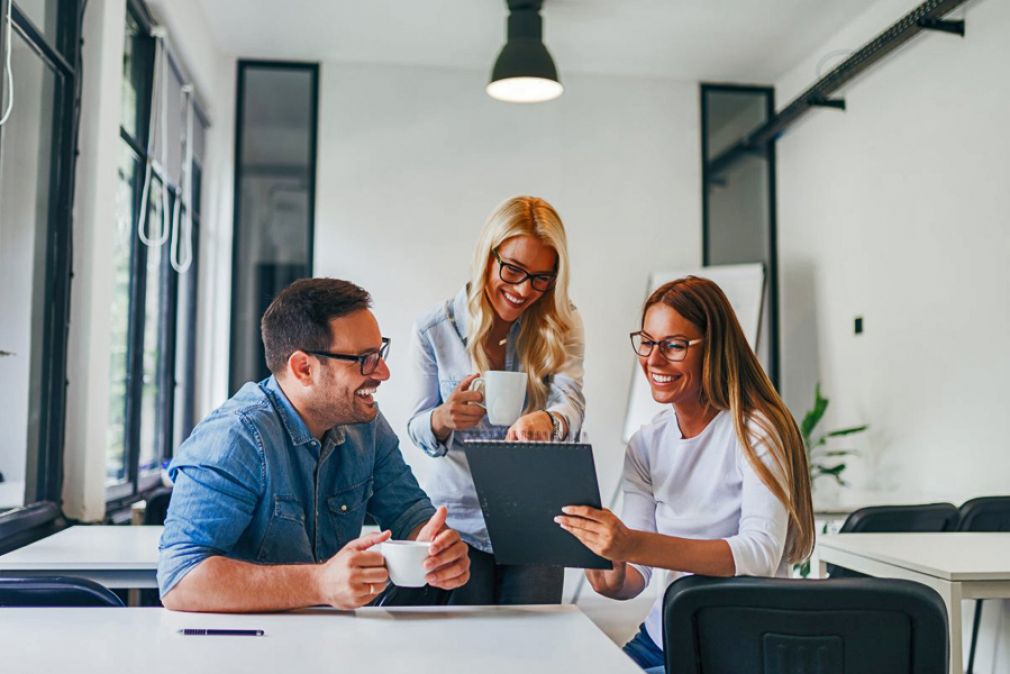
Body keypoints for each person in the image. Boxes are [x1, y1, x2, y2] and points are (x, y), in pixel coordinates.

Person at [158, 278, 470, 612]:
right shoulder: (235, 437)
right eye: (365, 359)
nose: (383, 372)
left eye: (380, 353)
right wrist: (318, 583)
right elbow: (180, 581)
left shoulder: (366, 426)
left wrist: (434, 545)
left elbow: (410, 513)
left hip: (329, 642)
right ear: (303, 368)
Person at [555, 276, 814, 673]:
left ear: (714, 347)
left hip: (742, 647)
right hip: (666, 637)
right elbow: (636, 577)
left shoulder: (757, 430)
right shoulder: (645, 444)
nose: (654, 360)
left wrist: (630, 544)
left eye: (674, 346)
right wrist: (610, 571)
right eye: (647, 341)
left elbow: (759, 554)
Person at [407, 195, 585, 604]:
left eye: (542, 278)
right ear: (487, 256)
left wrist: (549, 421)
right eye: (514, 270)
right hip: (458, 520)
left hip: (536, 514)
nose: (525, 290)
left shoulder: (563, 321)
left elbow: (571, 401)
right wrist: (443, 417)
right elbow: (415, 427)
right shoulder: (435, 328)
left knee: (531, 650)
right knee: (462, 652)